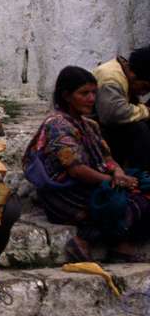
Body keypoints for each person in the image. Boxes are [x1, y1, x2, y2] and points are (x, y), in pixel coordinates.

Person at [24, 66, 150, 262]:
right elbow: (75, 169)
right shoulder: (56, 125)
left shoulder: (90, 125)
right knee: (119, 205)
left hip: (92, 185)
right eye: (84, 93)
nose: (91, 99)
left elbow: (107, 158)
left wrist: (118, 173)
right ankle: (90, 239)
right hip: (67, 194)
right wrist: (110, 181)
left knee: (143, 188)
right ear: (66, 95)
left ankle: (118, 246)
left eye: (93, 93)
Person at [92, 47, 150, 170]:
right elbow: (114, 113)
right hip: (93, 130)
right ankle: (138, 175)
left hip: (103, 125)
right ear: (133, 76)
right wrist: (146, 110)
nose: (143, 93)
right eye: (145, 87)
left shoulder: (124, 73)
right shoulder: (111, 78)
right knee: (139, 128)